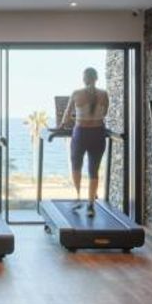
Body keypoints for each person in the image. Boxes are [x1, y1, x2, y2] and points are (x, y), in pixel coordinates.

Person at [61, 67, 109, 217]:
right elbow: (104, 113)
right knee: (94, 170)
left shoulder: (76, 93)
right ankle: (90, 204)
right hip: (98, 133)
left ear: (84, 79)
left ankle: (77, 196)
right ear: (96, 78)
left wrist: (70, 121)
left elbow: (66, 116)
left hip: (81, 133)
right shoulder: (104, 94)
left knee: (76, 165)